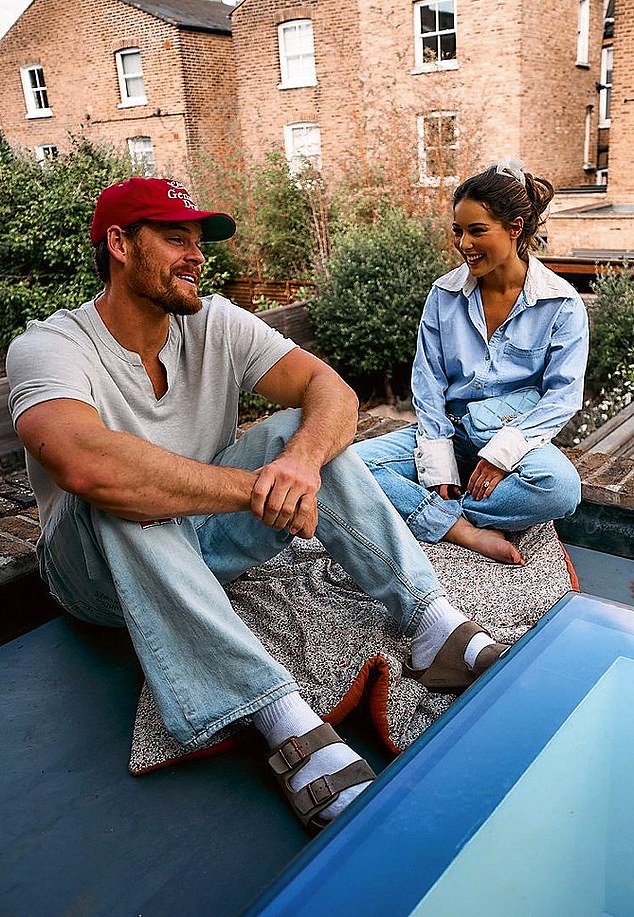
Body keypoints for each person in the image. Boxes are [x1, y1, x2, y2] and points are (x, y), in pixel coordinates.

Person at [7, 176, 509, 833]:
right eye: (175, 237)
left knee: (297, 433)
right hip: (96, 572)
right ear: (121, 244)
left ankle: (431, 623)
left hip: (201, 539)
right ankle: (281, 715)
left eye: (199, 240)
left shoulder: (214, 321)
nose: (196, 254)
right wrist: (257, 489)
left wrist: (297, 464)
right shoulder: (49, 346)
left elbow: (331, 391)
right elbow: (84, 461)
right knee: (123, 492)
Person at [354, 161, 588, 566]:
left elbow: (562, 398)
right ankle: (465, 531)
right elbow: (427, 382)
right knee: (350, 467)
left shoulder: (562, 304)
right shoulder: (443, 295)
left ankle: (441, 515)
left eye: (477, 230)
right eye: (458, 231)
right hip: (448, 429)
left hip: (514, 434)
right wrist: (439, 456)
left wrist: (501, 456)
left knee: (561, 488)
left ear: (515, 229)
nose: (464, 244)